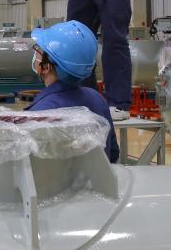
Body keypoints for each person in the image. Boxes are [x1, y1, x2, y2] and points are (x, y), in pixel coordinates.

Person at [27, 20, 119, 163]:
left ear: (45, 67)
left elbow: (30, 165)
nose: (36, 54)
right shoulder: (97, 99)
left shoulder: (40, 111)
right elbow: (112, 154)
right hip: (97, 178)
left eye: (39, 51)